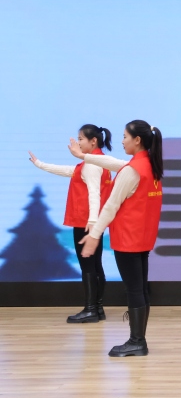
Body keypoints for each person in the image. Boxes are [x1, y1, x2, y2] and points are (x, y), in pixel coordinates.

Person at [69, 120, 163, 357]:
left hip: (127, 239)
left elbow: (110, 206)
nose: (121, 141)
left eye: (124, 137)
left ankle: (137, 341)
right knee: (140, 288)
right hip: (143, 238)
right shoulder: (149, 165)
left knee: (134, 290)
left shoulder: (132, 170)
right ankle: (138, 340)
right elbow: (115, 164)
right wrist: (83, 156)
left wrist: (94, 235)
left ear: (137, 140)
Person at [30, 125, 114, 323]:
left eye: (81, 139)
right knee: (95, 264)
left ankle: (91, 309)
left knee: (88, 266)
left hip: (86, 222)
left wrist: (92, 223)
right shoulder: (97, 162)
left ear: (93, 141)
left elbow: (94, 194)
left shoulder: (92, 165)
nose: (77, 143)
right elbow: (70, 171)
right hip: (92, 221)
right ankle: (97, 308)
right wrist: (40, 164)